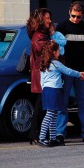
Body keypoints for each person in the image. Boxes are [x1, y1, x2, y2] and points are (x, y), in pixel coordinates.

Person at [56, 1, 84, 144]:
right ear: (69, 12)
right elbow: (56, 50)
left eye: (79, 17)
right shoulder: (62, 27)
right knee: (62, 103)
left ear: (82, 15)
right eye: (74, 16)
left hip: (81, 71)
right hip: (66, 70)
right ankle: (59, 134)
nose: (76, 19)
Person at [38, 41, 84, 147]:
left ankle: (53, 138)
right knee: (50, 114)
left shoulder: (45, 63)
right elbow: (68, 71)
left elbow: (42, 80)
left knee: (54, 114)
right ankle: (41, 137)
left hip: (46, 90)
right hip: (54, 90)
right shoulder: (56, 63)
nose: (59, 53)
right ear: (54, 52)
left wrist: (43, 89)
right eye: (58, 51)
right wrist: (79, 74)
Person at [26, 8, 52, 145]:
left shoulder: (41, 35)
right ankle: (35, 134)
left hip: (43, 76)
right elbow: (48, 52)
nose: (50, 21)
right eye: (47, 18)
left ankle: (37, 134)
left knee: (42, 105)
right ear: (41, 20)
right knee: (41, 106)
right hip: (42, 77)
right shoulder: (39, 37)